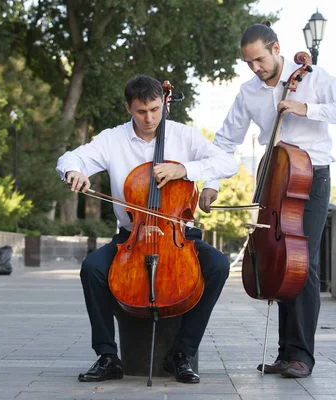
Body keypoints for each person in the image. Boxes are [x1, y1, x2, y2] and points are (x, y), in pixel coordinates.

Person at [200, 23, 336, 378]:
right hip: (274, 178)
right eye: (248, 62)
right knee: (282, 260)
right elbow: (226, 140)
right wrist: (211, 183)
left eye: (259, 59)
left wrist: (307, 108)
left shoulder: (314, 77)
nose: (255, 67)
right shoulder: (248, 92)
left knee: (303, 262)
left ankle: (302, 355)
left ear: (276, 48)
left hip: (310, 175)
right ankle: (285, 353)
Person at [56, 75, 238, 384]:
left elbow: (226, 163)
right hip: (132, 235)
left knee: (218, 266)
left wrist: (186, 170)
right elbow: (71, 157)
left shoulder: (184, 136)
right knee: (91, 269)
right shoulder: (112, 139)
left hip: (178, 234)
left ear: (163, 104)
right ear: (128, 107)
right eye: (141, 111)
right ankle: (108, 356)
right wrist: (74, 170)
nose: (150, 118)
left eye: (155, 109)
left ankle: (182, 352)